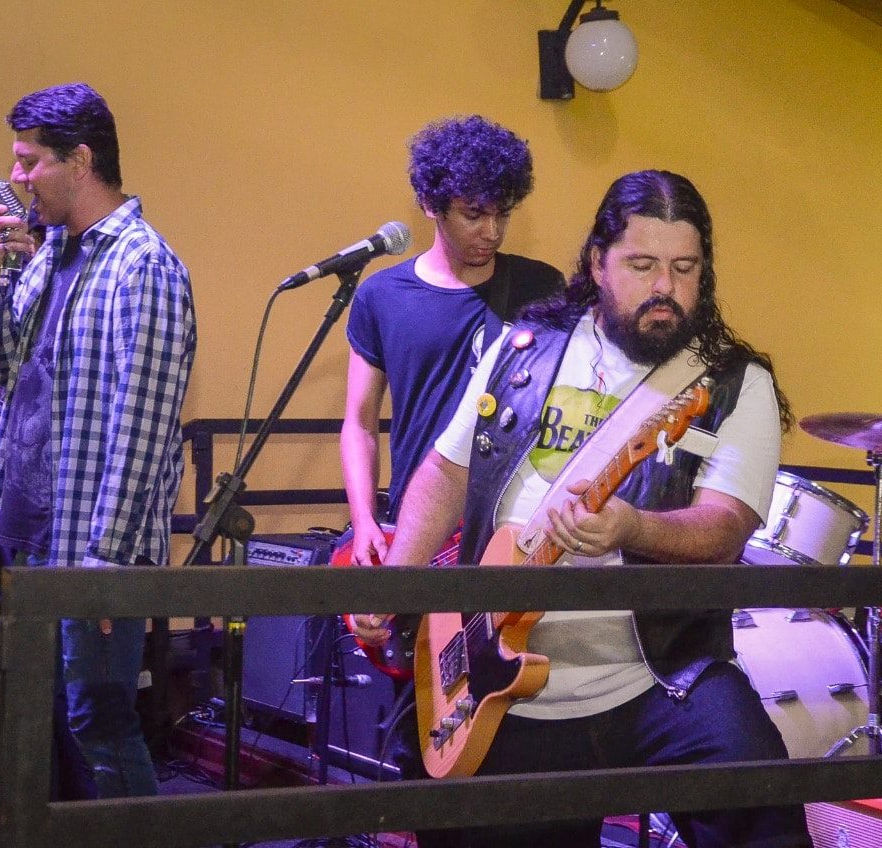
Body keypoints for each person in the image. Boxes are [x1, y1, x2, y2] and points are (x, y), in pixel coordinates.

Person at [356, 170, 810, 847]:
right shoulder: (524, 351)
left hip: (659, 674)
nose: (666, 288)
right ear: (598, 262)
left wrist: (633, 527)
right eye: (643, 265)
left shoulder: (733, 382)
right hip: (500, 678)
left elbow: (724, 526)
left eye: (685, 268)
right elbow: (446, 471)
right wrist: (398, 581)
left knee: (759, 795)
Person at [0, 82, 197, 798]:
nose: (15, 177)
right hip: (36, 531)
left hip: (95, 548)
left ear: (79, 159)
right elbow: (7, 370)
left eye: (28, 160)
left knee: (98, 722)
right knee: (42, 723)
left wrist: (108, 563)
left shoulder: (145, 265)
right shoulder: (54, 254)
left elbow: (143, 427)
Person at [339, 115, 563, 566]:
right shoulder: (381, 296)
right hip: (421, 524)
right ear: (430, 204)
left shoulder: (541, 288)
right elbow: (360, 424)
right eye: (474, 214)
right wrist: (364, 520)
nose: (492, 232)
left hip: (513, 524)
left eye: (502, 214)